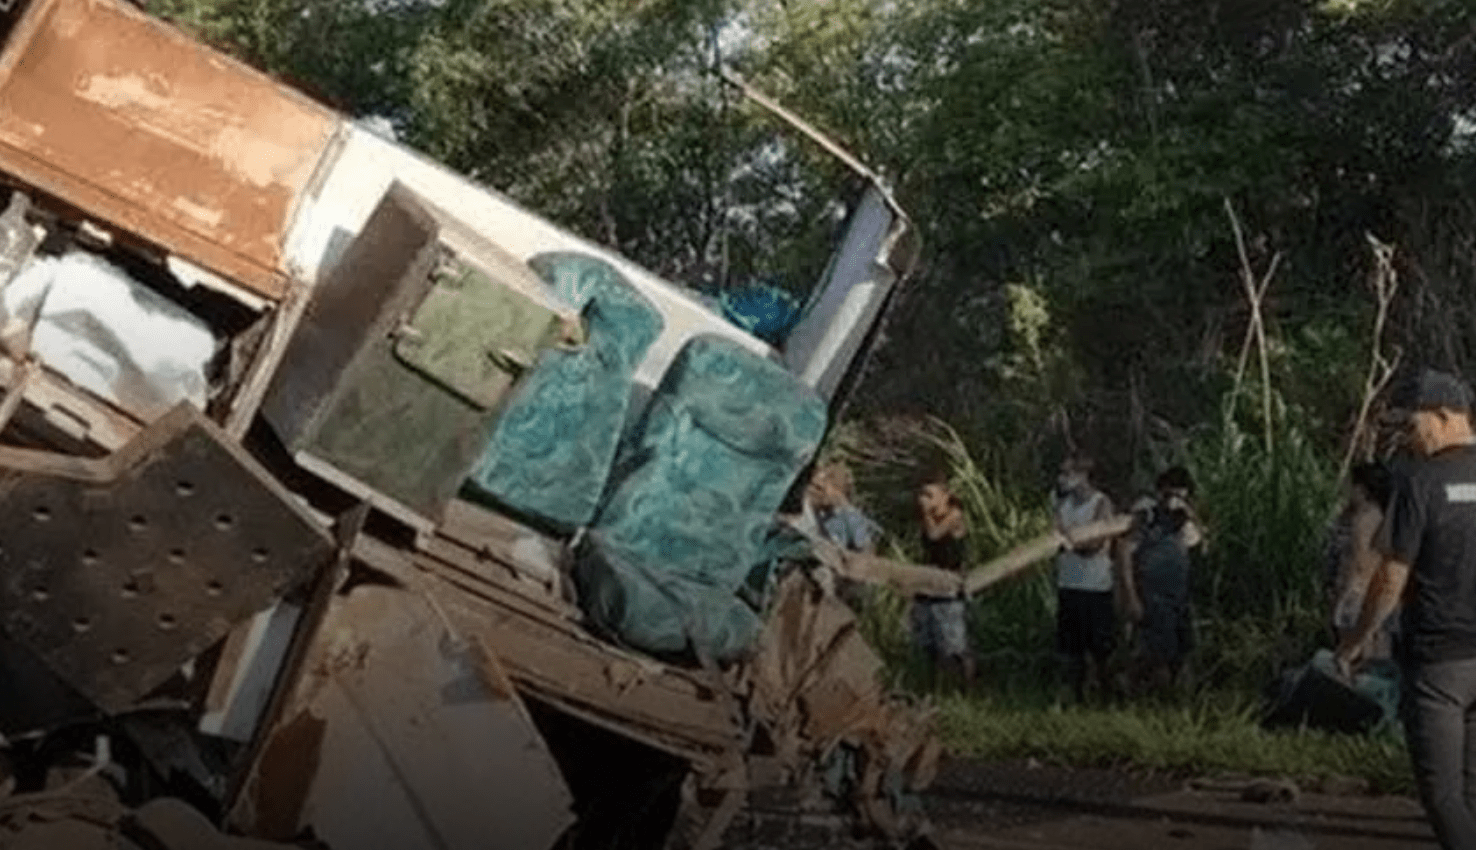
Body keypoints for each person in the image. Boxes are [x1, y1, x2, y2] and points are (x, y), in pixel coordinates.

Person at [1335, 368, 1476, 850]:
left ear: (1445, 415)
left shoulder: (1420, 483)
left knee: (1443, 795)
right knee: (1471, 791)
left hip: (1439, 662)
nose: (1409, 438)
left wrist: (1355, 642)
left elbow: (1391, 577)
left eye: (1413, 424)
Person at [1120, 466, 1205, 695]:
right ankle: (1129, 686)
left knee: (1182, 650)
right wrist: (1130, 596)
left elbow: (1200, 544)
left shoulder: (1183, 522)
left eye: (1180, 495)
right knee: (1157, 653)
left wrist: (1188, 515)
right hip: (1152, 596)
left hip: (1179, 595)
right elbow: (1124, 551)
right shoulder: (1148, 517)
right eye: (1169, 494)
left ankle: (1168, 695)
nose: (1173, 501)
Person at [1052, 454, 1118, 703]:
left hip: (1095, 586)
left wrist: (1070, 542)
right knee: (1071, 649)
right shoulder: (1061, 503)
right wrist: (1069, 541)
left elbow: (1096, 543)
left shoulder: (1102, 503)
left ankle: (1105, 697)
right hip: (1068, 584)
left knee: (1101, 649)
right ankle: (1076, 698)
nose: (1062, 479)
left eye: (1067, 473)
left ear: (1083, 475)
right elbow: (1055, 535)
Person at [912, 469, 975, 691]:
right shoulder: (927, 519)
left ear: (945, 496)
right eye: (923, 494)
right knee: (928, 642)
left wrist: (926, 513)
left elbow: (935, 535)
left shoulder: (954, 515)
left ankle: (967, 688)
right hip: (929, 583)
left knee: (954, 645)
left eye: (930, 495)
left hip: (950, 586)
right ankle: (935, 687)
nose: (925, 500)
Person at [1330, 462, 1396, 658]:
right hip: (1375, 595)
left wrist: (1342, 594)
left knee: (1353, 654)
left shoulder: (1364, 519)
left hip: (1357, 595)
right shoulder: (1385, 517)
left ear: (1362, 489)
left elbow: (1357, 563)